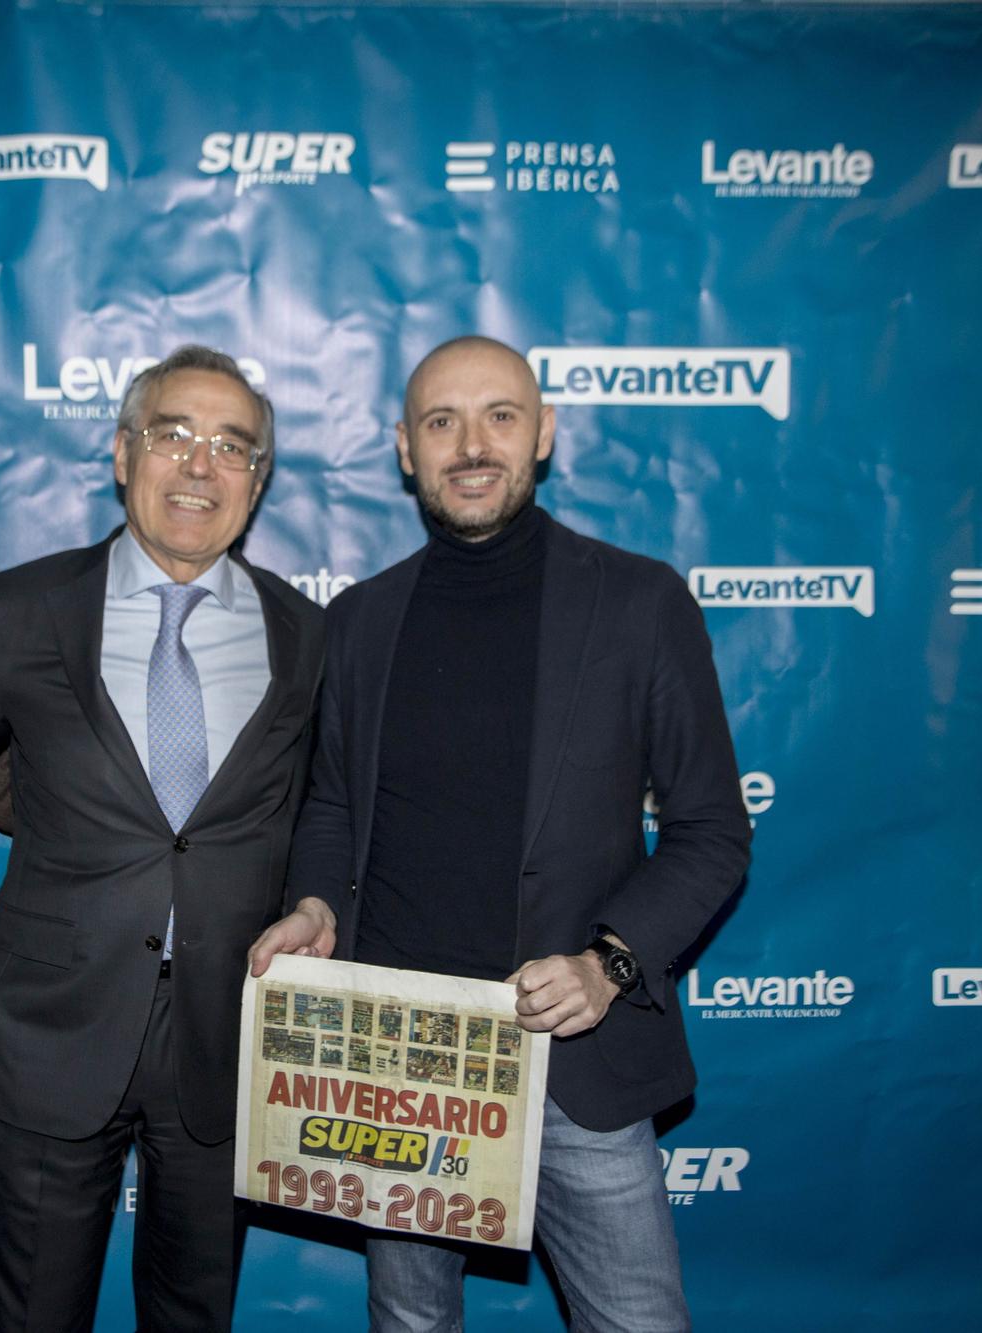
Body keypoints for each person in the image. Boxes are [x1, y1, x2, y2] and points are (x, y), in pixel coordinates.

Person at [250, 335, 751, 1332]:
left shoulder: (637, 600)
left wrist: (608, 962)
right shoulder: (358, 619)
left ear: (544, 434)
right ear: (404, 449)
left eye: (498, 416)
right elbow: (335, 804)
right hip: (398, 1057)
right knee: (409, 1321)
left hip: (572, 1050)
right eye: (440, 422)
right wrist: (310, 902)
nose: (469, 444)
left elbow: (710, 832)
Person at [0, 345, 325, 1332]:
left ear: (258, 479)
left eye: (231, 447)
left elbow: (324, 809)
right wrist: (60, 812)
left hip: (228, 1029)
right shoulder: (22, 606)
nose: (199, 466)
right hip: (52, 1023)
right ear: (122, 454)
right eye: (173, 436)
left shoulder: (308, 634)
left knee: (192, 1313)